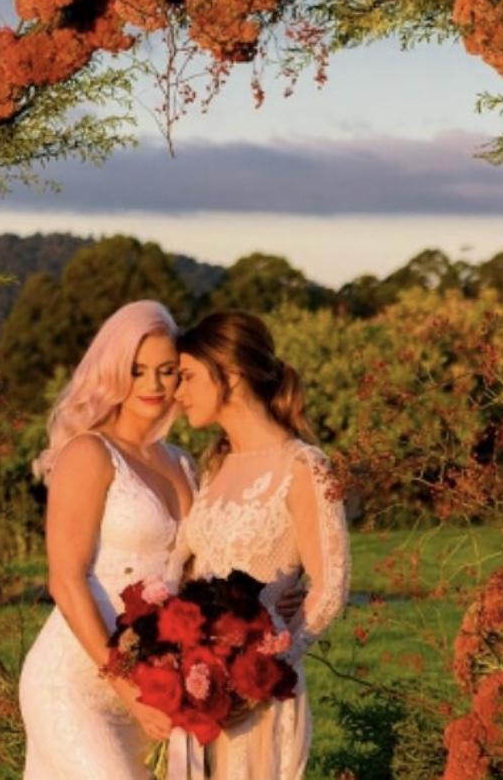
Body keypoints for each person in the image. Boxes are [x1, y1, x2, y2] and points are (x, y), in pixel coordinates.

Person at [17, 300, 196, 779]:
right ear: (116, 372)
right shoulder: (89, 452)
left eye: (167, 370)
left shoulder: (182, 464)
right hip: (75, 681)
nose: (155, 385)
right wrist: (128, 689)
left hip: (155, 688)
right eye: (138, 371)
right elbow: (66, 582)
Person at [170, 310, 351, 780]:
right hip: (196, 688)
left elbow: (329, 588)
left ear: (229, 373)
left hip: (257, 696)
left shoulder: (303, 466)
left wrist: (262, 675)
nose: (177, 392)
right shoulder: (214, 466)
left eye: (188, 376)